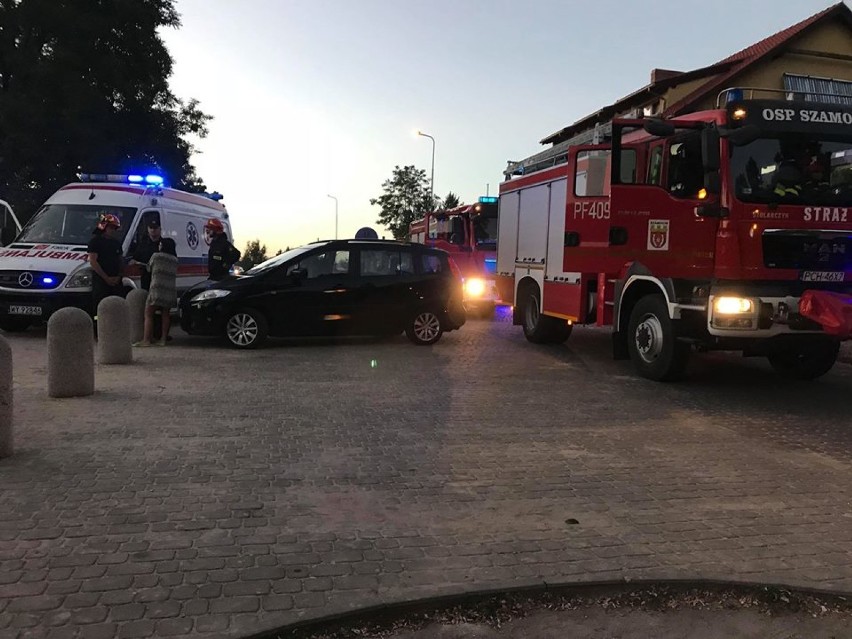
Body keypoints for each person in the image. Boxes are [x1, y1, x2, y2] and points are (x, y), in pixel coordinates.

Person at [135, 238, 178, 347]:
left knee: (148, 314)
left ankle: (146, 340)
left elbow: (149, 268)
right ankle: (163, 339)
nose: (158, 246)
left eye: (160, 244)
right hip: (170, 289)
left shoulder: (156, 256)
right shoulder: (174, 259)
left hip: (157, 288)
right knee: (165, 314)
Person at [87, 214, 125, 325]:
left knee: (117, 304)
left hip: (116, 280)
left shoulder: (116, 243)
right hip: (101, 280)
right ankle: (98, 328)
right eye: (111, 228)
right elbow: (93, 261)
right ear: (104, 226)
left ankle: (116, 326)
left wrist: (119, 276)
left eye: (115, 228)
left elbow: (120, 260)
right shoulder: (95, 242)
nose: (113, 231)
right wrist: (106, 278)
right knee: (99, 306)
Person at [131, 219, 162, 290]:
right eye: (151, 228)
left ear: (160, 229)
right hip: (146, 276)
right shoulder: (143, 245)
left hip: (159, 277)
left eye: (155, 228)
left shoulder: (164, 244)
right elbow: (135, 258)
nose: (153, 230)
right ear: (147, 229)